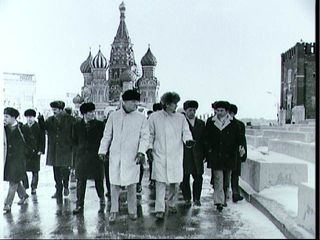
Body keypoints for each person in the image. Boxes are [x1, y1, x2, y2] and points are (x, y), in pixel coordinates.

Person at [98, 89, 149, 223]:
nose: (135, 104)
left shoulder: (141, 118)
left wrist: (141, 152)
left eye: (136, 102)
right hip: (115, 155)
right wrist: (102, 151)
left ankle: (132, 211)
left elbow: (145, 137)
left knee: (132, 185)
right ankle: (114, 211)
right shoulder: (113, 116)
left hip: (133, 156)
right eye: (132, 102)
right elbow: (107, 135)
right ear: (124, 102)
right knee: (114, 185)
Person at [147, 92, 194, 220]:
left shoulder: (180, 118)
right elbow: (150, 134)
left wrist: (188, 140)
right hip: (160, 153)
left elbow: (186, 131)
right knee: (160, 182)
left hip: (175, 153)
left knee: (174, 182)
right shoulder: (154, 117)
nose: (176, 106)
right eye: (174, 104)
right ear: (166, 104)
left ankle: (172, 204)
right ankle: (160, 209)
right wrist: (149, 148)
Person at [204, 101, 246, 212]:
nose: (219, 112)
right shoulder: (211, 122)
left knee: (226, 180)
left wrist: (241, 148)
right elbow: (206, 138)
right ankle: (219, 202)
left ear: (226, 111)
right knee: (218, 178)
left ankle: (224, 198)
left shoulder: (234, 123)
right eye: (217, 110)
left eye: (222, 110)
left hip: (230, 156)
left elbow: (240, 138)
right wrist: (208, 150)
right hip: (216, 155)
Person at [38, 100, 74, 203]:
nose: (53, 111)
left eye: (55, 110)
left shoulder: (70, 119)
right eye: (53, 109)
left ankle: (66, 186)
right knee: (56, 170)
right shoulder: (50, 120)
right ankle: (58, 190)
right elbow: (43, 128)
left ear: (61, 109)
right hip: (54, 149)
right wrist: (40, 119)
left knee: (64, 169)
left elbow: (74, 132)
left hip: (66, 148)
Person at [72, 102, 106, 214]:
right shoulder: (77, 125)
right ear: (84, 114)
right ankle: (79, 205)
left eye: (93, 112)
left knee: (98, 180)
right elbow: (74, 141)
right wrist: (76, 154)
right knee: (81, 182)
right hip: (81, 157)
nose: (92, 114)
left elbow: (104, 140)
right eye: (90, 112)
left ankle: (102, 199)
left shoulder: (100, 125)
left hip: (96, 157)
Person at [180, 100, 206, 207]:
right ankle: (187, 198)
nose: (192, 112)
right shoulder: (181, 123)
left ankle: (197, 198)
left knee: (198, 177)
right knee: (185, 178)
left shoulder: (201, 123)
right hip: (185, 155)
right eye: (190, 110)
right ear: (185, 111)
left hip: (198, 155)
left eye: (194, 110)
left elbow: (205, 140)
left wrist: (205, 155)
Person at [3, 107, 29, 213]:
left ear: (13, 118)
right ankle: (24, 196)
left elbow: (27, 143)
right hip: (8, 159)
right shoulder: (4, 128)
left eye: (6, 117)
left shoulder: (22, 128)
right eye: (4, 116)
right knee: (15, 180)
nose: (4, 119)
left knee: (13, 182)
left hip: (19, 160)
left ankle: (7, 204)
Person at [21, 109, 45, 195]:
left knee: (35, 171)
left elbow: (42, 139)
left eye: (31, 117)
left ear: (34, 117)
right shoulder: (23, 127)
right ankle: (25, 185)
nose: (29, 119)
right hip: (26, 152)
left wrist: (41, 150)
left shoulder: (38, 127)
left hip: (36, 151)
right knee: (23, 169)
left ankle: (34, 187)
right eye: (27, 117)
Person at [228, 104, 247, 203]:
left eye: (231, 113)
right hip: (226, 153)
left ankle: (235, 193)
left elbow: (243, 140)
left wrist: (243, 154)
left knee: (235, 174)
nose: (230, 114)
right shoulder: (224, 123)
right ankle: (224, 193)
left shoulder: (240, 124)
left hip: (236, 153)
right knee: (226, 174)